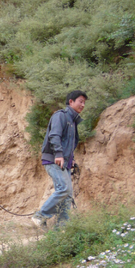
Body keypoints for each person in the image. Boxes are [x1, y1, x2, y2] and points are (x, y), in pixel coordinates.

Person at [32, 90, 87, 230]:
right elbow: (54, 135)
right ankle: (40, 215)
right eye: (80, 101)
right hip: (54, 159)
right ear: (71, 102)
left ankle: (62, 228)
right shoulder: (60, 116)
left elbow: (69, 143)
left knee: (67, 195)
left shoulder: (73, 121)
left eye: (84, 102)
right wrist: (58, 154)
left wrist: (71, 159)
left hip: (64, 162)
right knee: (64, 189)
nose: (83, 105)